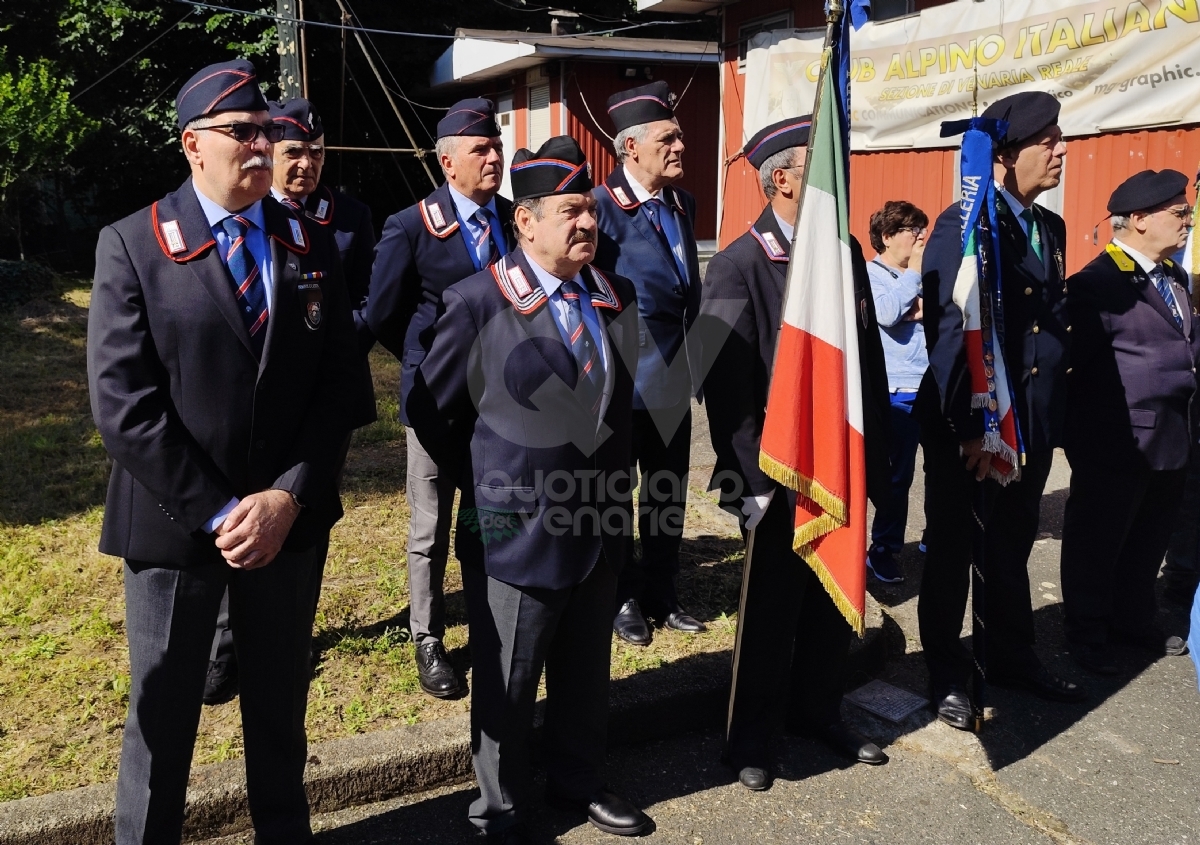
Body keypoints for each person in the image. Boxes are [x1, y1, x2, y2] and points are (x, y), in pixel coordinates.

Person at [86, 60, 363, 844]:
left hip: (288, 522)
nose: (261, 144)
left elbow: (341, 389)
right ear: (191, 145)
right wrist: (220, 511)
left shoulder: (309, 241)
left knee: (279, 710)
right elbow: (124, 407)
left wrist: (286, 496)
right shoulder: (134, 244)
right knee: (163, 718)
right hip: (178, 528)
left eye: (266, 130)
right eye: (241, 132)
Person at [408, 136, 651, 843]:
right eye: (571, 211)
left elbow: (620, 409)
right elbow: (433, 412)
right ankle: (499, 809)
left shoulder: (613, 294)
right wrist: (496, 485)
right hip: (514, 532)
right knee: (508, 687)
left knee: (585, 673)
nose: (586, 224)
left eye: (591, 213)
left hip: (597, 525)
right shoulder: (479, 301)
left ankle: (579, 782)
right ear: (526, 221)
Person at [701, 117, 893, 791]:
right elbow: (725, 389)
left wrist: (881, 458)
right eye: (819, 164)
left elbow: (866, 359)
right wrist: (749, 481)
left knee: (829, 603)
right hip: (777, 476)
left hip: (839, 464)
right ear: (782, 178)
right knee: (769, 613)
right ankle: (750, 737)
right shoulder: (736, 264)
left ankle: (818, 710)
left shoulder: (842, 253)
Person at [919, 91, 1085, 732]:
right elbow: (951, 329)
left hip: (1029, 426)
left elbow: (1049, 325)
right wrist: (968, 427)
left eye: (1061, 139)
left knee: (1011, 547)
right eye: (1049, 142)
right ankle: (945, 673)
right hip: (974, 427)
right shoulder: (964, 226)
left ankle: (1014, 656)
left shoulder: (1050, 227)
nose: (1062, 151)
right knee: (955, 552)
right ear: (1008, 156)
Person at [204, 96, 377, 706]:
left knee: (303, 516)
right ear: (268, 153)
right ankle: (226, 644)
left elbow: (368, 303)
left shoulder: (348, 217)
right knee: (238, 519)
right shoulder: (236, 213)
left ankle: (293, 633)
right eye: (292, 153)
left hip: (320, 400)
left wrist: (324, 344)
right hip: (246, 405)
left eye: (316, 153)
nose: (305, 165)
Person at [357, 98, 513, 699]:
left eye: (495, 147)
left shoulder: (510, 217)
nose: (494, 157)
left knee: (484, 513)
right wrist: (428, 364)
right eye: (481, 150)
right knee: (429, 526)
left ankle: (488, 616)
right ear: (449, 163)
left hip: (498, 404)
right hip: (434, 402)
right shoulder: (411, 225)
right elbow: (382, 312)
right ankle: (427, 636)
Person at [1060, 169, 1197, 675]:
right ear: (1138, 220)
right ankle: (1087, 629)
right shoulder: (1097, 283)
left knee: (1148, 537)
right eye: (1178, 213)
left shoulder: (1174, 277)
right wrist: (1083, 440)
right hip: (1117, 439)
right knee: (1098, 538)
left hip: (1172, 433)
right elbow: (1074, 368)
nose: (1188, 221)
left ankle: (1132, 619)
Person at [593, 80, 706, 645]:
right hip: (620, 382)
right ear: (630, 147)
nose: (681, 146)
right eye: (668, 138)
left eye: (680, 136)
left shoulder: (681, 203)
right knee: (616, 496)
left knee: (667, 492)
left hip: (671, 379)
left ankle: (664, 592)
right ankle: (622, 599)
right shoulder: (600, 208)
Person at [865, 201, 929, 583]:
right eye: (912, 230)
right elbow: (887, 312)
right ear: (887, 237)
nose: (920, 237)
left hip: (931, 387)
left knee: (941, 470)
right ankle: (883, 549)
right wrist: (913, 284)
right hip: (897, 391)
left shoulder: (920, 276)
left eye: (923, 229)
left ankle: (932, 536)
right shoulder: (873, 276)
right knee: (896, 478)